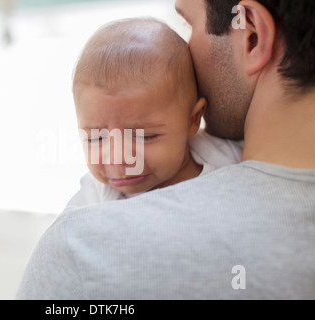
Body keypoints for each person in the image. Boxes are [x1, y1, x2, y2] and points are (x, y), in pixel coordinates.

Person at [17, 0, 315, 300]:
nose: (119, 159)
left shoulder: (81, 252)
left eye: (189, 25)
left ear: (251, 36)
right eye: (95, 138)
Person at [64, 18, 243, 212]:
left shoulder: (226, 157)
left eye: (144, 136)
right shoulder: (94, 198)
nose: (117, 157)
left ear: (193, 120)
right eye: (96, 138)